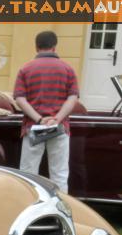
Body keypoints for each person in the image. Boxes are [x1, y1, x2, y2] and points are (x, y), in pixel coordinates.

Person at [13, 30, 80, 192]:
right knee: (59, 174)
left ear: (36, 47)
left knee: (28, 173)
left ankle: (29, 207)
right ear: (54, 47)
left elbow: (20, 98)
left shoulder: (25, 69)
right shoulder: (67, 69)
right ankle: (59, 209)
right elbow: (73, 98)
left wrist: (39, 119)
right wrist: (57, 118)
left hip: (33, 128)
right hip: (59, 127)